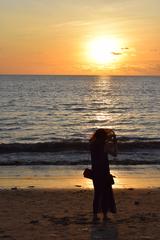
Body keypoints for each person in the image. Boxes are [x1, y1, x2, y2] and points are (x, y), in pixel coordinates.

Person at [90, 128, 117, 221]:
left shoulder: (92, 144)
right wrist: (114, 143)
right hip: (104, 171)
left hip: (95, 171)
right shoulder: (104, 146)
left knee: (97, 193)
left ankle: (95, 215)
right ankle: (105, 216)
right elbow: (115, 154)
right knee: (106, 193)